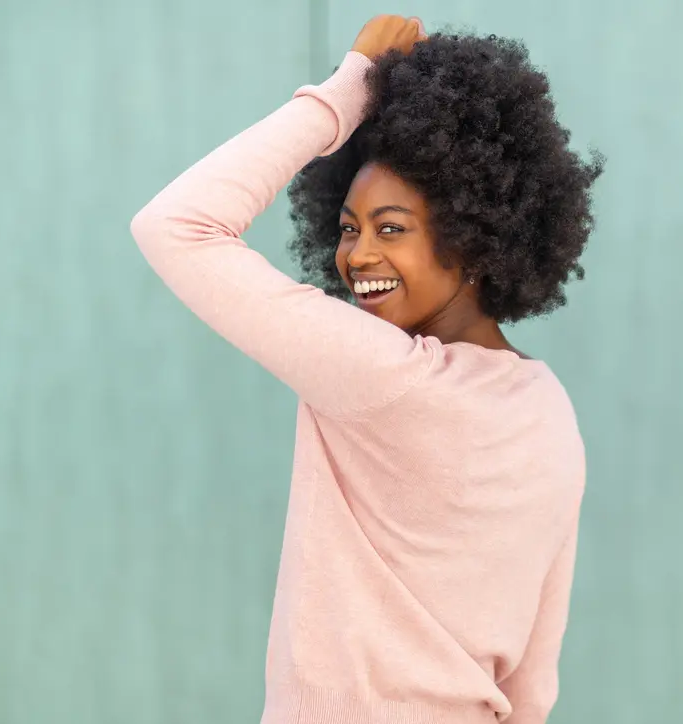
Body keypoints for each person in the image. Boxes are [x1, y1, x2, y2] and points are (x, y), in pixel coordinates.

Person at [130, 14, 603, 724]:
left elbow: (178, 226)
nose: (357, 257)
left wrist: (346, 92)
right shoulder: (548, 408)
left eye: (392, 228)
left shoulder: (381, 375)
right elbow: (534, 680)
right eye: (349, 228)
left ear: (472, 241)